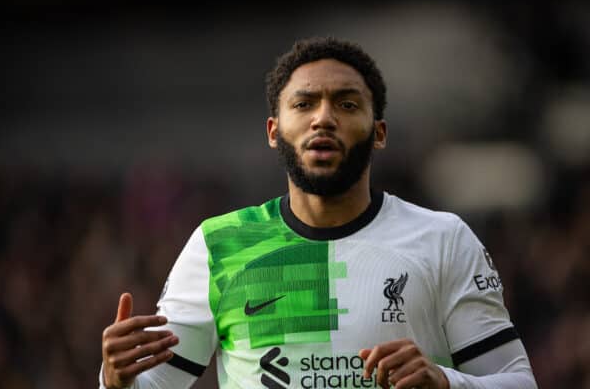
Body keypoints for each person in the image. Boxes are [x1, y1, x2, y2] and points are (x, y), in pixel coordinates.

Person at [99, 37, 538, 389]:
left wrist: (445, 382)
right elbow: (153, 385)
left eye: (347, 104)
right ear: (274, 131)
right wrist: (115, 379)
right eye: (304, 104)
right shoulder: (219, 245)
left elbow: (518, 381)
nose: (323, 118)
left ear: (379, 132)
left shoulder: (443, 239)